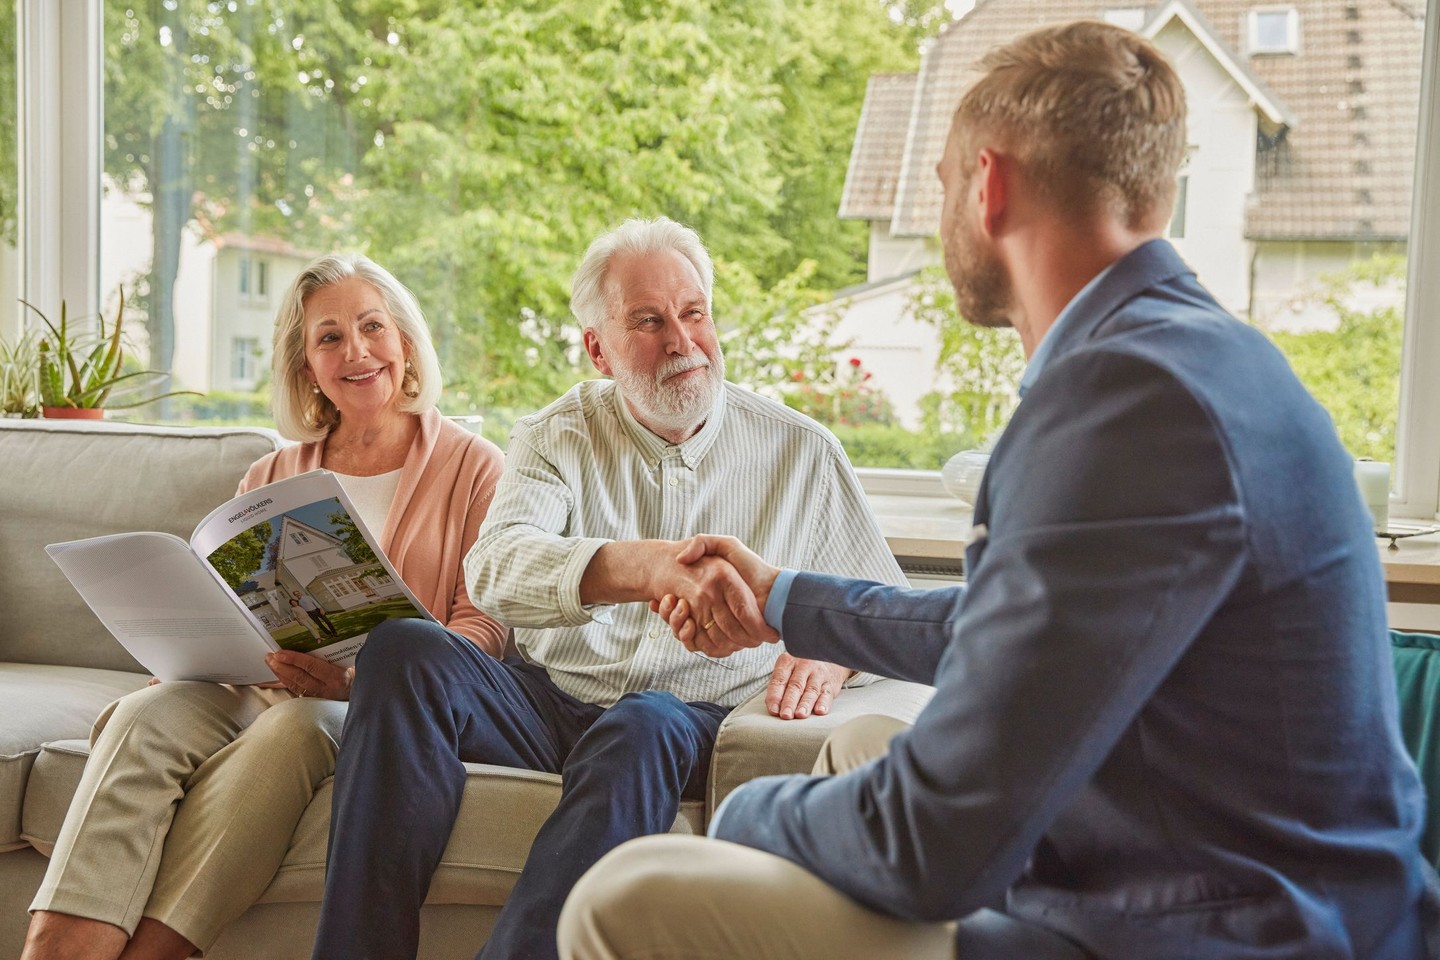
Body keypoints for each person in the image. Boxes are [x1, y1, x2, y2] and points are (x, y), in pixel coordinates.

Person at [557, 21, 1437, 960]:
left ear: (990, 185)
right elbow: (1006, 625)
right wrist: (782, 599)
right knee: (859, 750)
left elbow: (932, 847)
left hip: (1220, 930)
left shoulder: (1126, 403)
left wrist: (749, 818)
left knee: (628, 894)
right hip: (1229, 867)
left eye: (940, 184)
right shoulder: (1196, 358)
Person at [308, 217, 908, 960]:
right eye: (648, 322)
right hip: (546, 700)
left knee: (642, 723)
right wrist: (642, 567)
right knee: (404, 648)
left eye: (694, 314)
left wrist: (833, 653)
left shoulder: (803, 452)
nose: (682, 341)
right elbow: (493, 570)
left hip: (681, 717)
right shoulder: (556, 433)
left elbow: (886, 609)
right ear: (598, 348)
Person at [22, 253, 507, 960]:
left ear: (404, 343)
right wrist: (186, 649)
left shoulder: (475, 466)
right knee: (144, 713)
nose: (357, 351)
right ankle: (55, 948)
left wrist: (359, 677)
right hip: (254, 683)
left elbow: (485, 632)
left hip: (368, 707)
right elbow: (230, 605)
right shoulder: (272, 474)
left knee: (299, 726)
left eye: (373, 327)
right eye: (329, 338)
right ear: (308, 366)